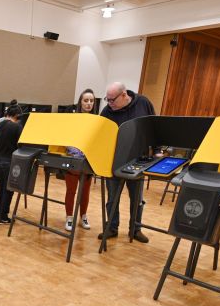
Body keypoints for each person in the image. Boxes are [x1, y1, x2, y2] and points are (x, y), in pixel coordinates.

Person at [98, 82, 155, 242]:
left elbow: (153, 126)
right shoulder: (107, 111)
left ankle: (135, 229)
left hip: (138, 161)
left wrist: (157, 150)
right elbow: (100, 135)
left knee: (137, 199)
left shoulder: (144, 103)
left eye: (112, 100)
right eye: (107, 100)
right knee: (112, 198)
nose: (109, 104)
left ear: (124, 95)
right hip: (115, 161)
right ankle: (111, 227)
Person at [63, 89, 96, 231]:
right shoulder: (72, 119)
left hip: (89, 162)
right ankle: (69, 218)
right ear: (80, 102)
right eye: (86, 100)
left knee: (85, 192)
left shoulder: (96, 121)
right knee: (71, 191)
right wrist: (77, 153)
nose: (89, 103)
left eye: (91, 101)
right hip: (73, 161)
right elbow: (67, 139)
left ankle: (83, 216)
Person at [0, 101, 24, 224]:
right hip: (8, 162)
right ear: (17, 116)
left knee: (1, 187)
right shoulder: (17, 127)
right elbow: (21, 146)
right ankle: (3, 217)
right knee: (8, 189)